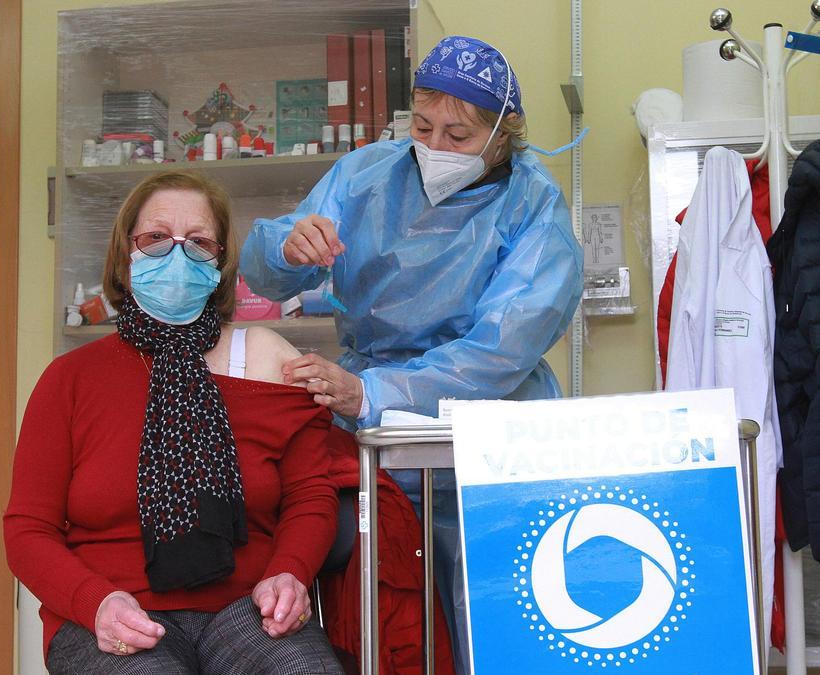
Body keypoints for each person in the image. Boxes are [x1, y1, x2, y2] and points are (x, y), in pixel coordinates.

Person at [240, 35, 584, 672]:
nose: (434, 148)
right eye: (423, 126)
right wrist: (288, 247)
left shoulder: (534, 207)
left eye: (458, 136)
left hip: (487, 431)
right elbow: (265, 272)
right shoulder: (365, 173)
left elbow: (500, 350)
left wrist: (374, 394)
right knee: (387, 616)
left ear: (502, 135)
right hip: (373, 439)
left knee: (499, 613)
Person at [4, 171, 344, 674]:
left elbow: (310, 496)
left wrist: (289, 574)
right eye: (156, 237)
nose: (178, 255)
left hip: (248, 606)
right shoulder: (70, 379)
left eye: (200, 242)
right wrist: (94, 601)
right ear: (126, 254)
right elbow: (28, 529)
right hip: (112, 606)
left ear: (221, 262)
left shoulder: (271, 362)